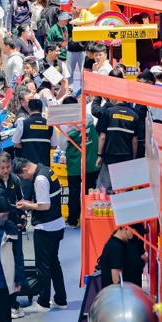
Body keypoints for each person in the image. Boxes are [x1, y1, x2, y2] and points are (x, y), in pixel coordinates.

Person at [14, 159, 67, 312]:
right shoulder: (47, 170)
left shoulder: (40, 179)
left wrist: (27, 205)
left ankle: (43, 303)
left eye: (23, 176)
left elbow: (44, 205)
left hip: (46, 228)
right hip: (56, 225)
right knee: (54, 264)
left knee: (43, 266)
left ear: (25, 169)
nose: (25, 179)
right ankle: (60, 299)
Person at [92, 93, 139, 192]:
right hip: (126, 157)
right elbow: (134, 141)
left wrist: (99, 155)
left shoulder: (108, 112)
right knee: (124, 188)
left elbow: (102, 137)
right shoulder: (134, 115)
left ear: (115, 98)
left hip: (110, 156)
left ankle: (109, 207)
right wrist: (133, 158)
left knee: (107, 188)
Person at [63, 97, 98, 228]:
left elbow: (61, 146)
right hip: (91, 162)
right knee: (90, 192)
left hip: (75, 164)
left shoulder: (65, 125)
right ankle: (89, 219)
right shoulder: (88, 117)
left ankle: (73, 220)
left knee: (74, 192)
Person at [98, 223, 146, 287]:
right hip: (118, 295)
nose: (135, 237)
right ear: (125, 228)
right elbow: (117, 280)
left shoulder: (116, 244)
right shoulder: (116, 249)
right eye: (133, 233)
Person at [12, 99, 57, 167]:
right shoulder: (50, 125)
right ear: (41, 110)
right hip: (44, 165)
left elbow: (15, 142)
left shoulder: (23, 124)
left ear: (29, 109)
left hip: (27, 166)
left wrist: (26, 145)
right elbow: (54, 146)